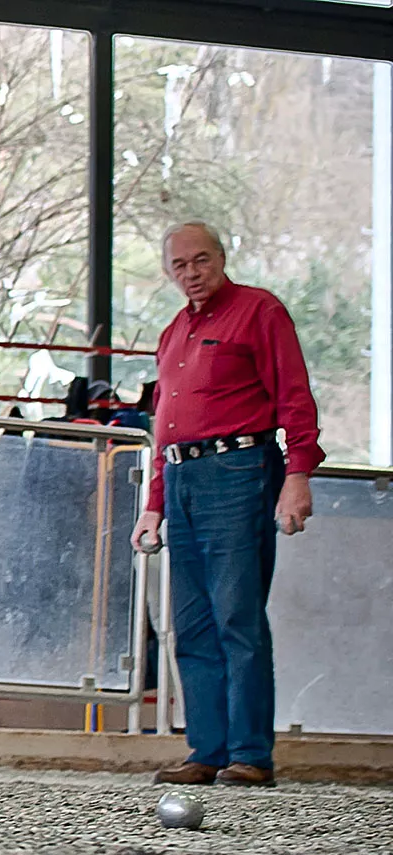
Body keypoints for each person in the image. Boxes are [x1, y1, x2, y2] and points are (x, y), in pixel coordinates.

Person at [130, 221, 322, 787]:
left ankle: (250, 755)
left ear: (221, 256)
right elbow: (164, 426)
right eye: (179, 266)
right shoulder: (173, 333)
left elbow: (293, 397)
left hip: (239, 471)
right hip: (183, 475)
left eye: (201, 260)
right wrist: (153, 503)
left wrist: (298, 475)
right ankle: (206, 749)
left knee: (237, 615)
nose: (191, 273)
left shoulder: (259, 312)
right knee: (191, 624)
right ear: (169, 272)